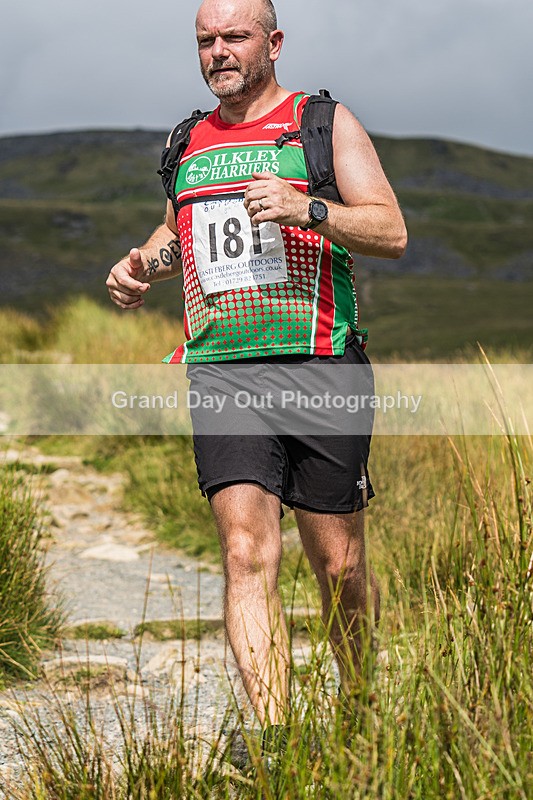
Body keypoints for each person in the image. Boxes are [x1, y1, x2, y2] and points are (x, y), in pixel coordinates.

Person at [106, 0, 407, 742]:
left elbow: (390, 230)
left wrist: (309, 208)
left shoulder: (321, 123)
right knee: (245, 551)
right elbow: (182, 219)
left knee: (336, 568)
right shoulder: (188, 139)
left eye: (234, 36)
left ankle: (360, 707)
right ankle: (279, 746)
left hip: (321, 365)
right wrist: (144, 262)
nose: (218, 51)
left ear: (272, 42)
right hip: (221, 371)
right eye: (205, 40)